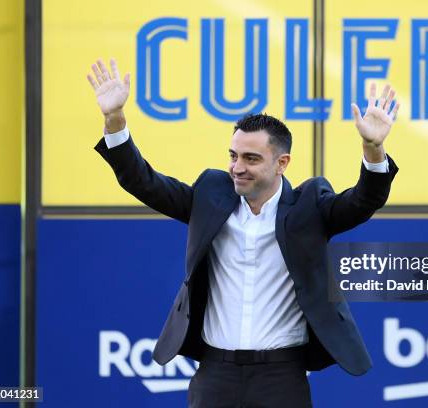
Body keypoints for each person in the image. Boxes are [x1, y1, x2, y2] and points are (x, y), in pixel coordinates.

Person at [87, 58, 399, 407]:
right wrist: (114, 120)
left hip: (281, 377)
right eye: (233, 156)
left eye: (251, 159)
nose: (237, 167)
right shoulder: (210, 196)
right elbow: (142, 181)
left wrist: (373, 148)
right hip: (214, 373)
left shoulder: (310, 206)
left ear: (282, 164)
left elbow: (365, 200)